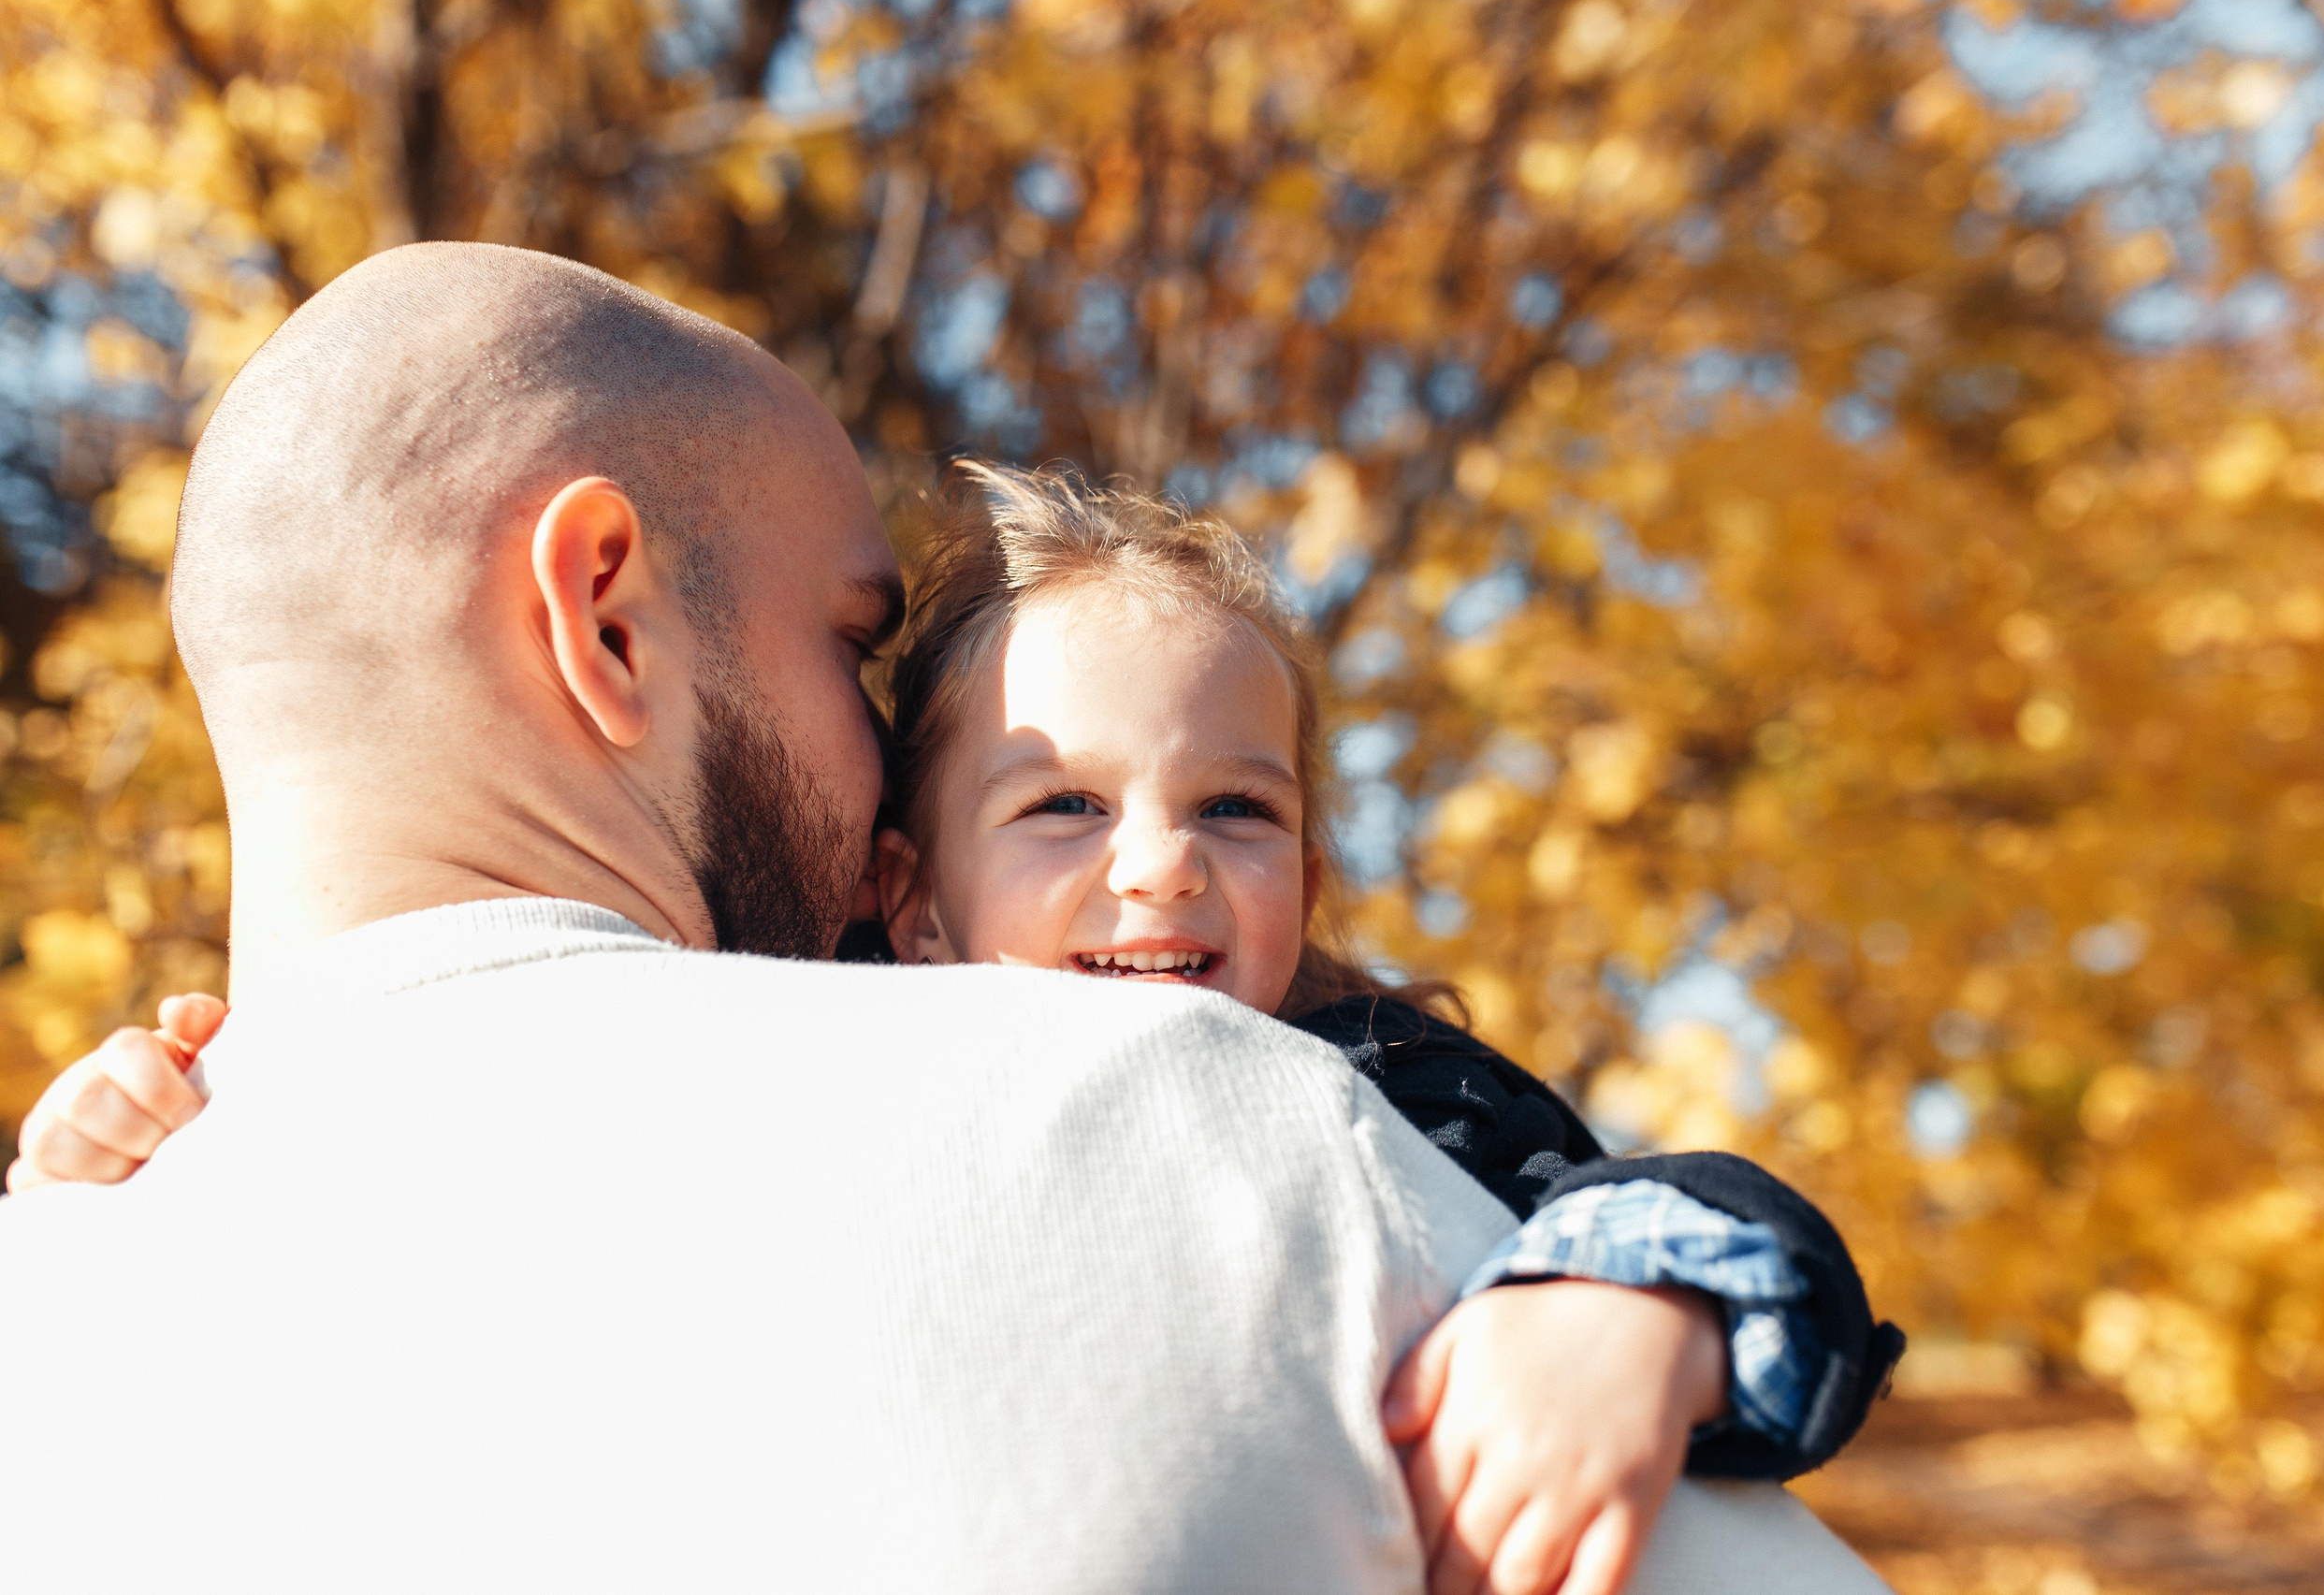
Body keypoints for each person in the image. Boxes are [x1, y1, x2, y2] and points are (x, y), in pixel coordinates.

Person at [0, 243, 1891, 1594]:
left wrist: (1640, 1288)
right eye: (852, 647)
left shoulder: (65, 1302)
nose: (1155, 868)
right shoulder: (1210, 1123)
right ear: (606, 615)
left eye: (1239, 808)